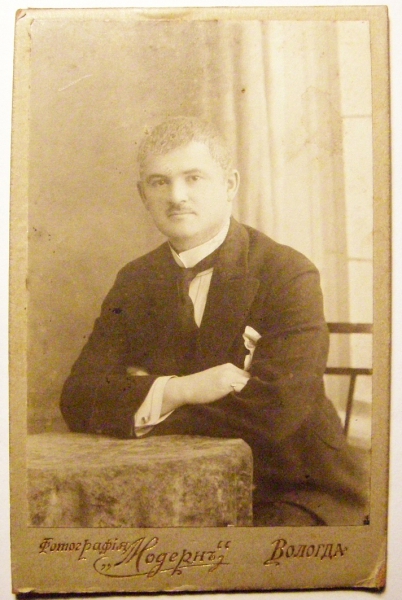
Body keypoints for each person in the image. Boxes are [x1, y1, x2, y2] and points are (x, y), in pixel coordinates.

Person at [60, 116, 368, 526]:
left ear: (230, 184)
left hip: (290, 490)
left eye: (194, 177)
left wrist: (143, 399)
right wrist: (185, 389)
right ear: (143, 195)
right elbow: (78, 397)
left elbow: (275, 413)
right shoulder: (135, 280)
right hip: (172, 489)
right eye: (159, 182)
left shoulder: (287, 273)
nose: (177, 196)